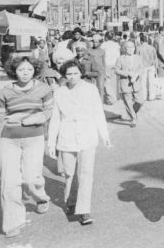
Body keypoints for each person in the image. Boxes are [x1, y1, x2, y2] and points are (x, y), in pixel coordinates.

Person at [0, 57, 53, 238]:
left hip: (34, 139)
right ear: (14, 71)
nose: (25, 73)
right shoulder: (5, 92)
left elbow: (49, 111)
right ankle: (13, 222)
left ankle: (41, 197)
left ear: (34, 70)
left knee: (31, 178)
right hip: (9, 140)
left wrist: (35, 119)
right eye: (21, 70)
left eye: (29, 69)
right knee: (9, 182)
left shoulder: (44, 89)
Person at [48, 60, 111, 226]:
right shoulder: (59, 92)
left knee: (86, 174)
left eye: (75, 73)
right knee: (69, 173)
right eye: (69, 74)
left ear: (81, 73)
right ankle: (71, 202)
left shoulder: (90, 89)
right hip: (66, 135)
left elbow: (98, 112)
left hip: (87, 134)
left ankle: (84, 211)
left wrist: (104, 134)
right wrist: (51, 141)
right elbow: (55, 118)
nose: (72, 77)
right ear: (64, 75)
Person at [114, 40, 145, 127]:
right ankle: (133, 118)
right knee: (128, 102)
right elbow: (116, 70)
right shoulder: (120, 58)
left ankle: (132, 112)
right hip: (125, 83)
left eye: (132, 47)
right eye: (128, 48)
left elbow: (142, 68)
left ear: (134, 48)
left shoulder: (138, 57)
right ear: (125, 49)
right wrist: (127, 73)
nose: (131, 49)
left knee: (140, 101)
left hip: (136, 83)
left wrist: (136, 74)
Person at [101, 31, 121, 105]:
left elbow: (102, 55)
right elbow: (118, 55)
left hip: (107, 64)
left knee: (107, 81)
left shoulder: (104, 45)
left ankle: (110, 99)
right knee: (115, 81)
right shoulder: (116, 44)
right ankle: (115, 97)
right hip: (115, 64)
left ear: (106, 37)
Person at [86, 35, 106, 103]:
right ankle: (91, 103)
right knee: (91, 87)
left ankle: (100, 103)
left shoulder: (102, 51)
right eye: (94, 42)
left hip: (100, 72)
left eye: (97, 42)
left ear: (100, 42)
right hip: (91, 71)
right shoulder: (88, 51)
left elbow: (103, 62)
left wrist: (105, 73)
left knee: (100, 88)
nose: (95, 44)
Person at [137, 33, 157, 101]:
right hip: (151, 66)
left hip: (143, 67)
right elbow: (155, 58)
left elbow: (137, 58)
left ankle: (144, 96)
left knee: (143, 82)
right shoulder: (152, 48)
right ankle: (152, 96)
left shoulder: (139, 48)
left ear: (141, 41)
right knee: (151, 82)